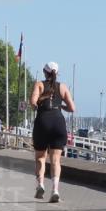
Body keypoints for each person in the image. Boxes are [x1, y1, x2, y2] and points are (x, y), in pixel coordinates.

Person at [30, 61, 75, 203]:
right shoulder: (63, 87)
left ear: (45, 72)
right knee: (55, 160)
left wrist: (39, 103)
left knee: (40, 157)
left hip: (43, 121)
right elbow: (72, 108)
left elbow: (33, 103)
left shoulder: (39, 84)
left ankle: (40, 185)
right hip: (58, 122)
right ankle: (55, 190)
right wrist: (60, 106)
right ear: (57, 73)